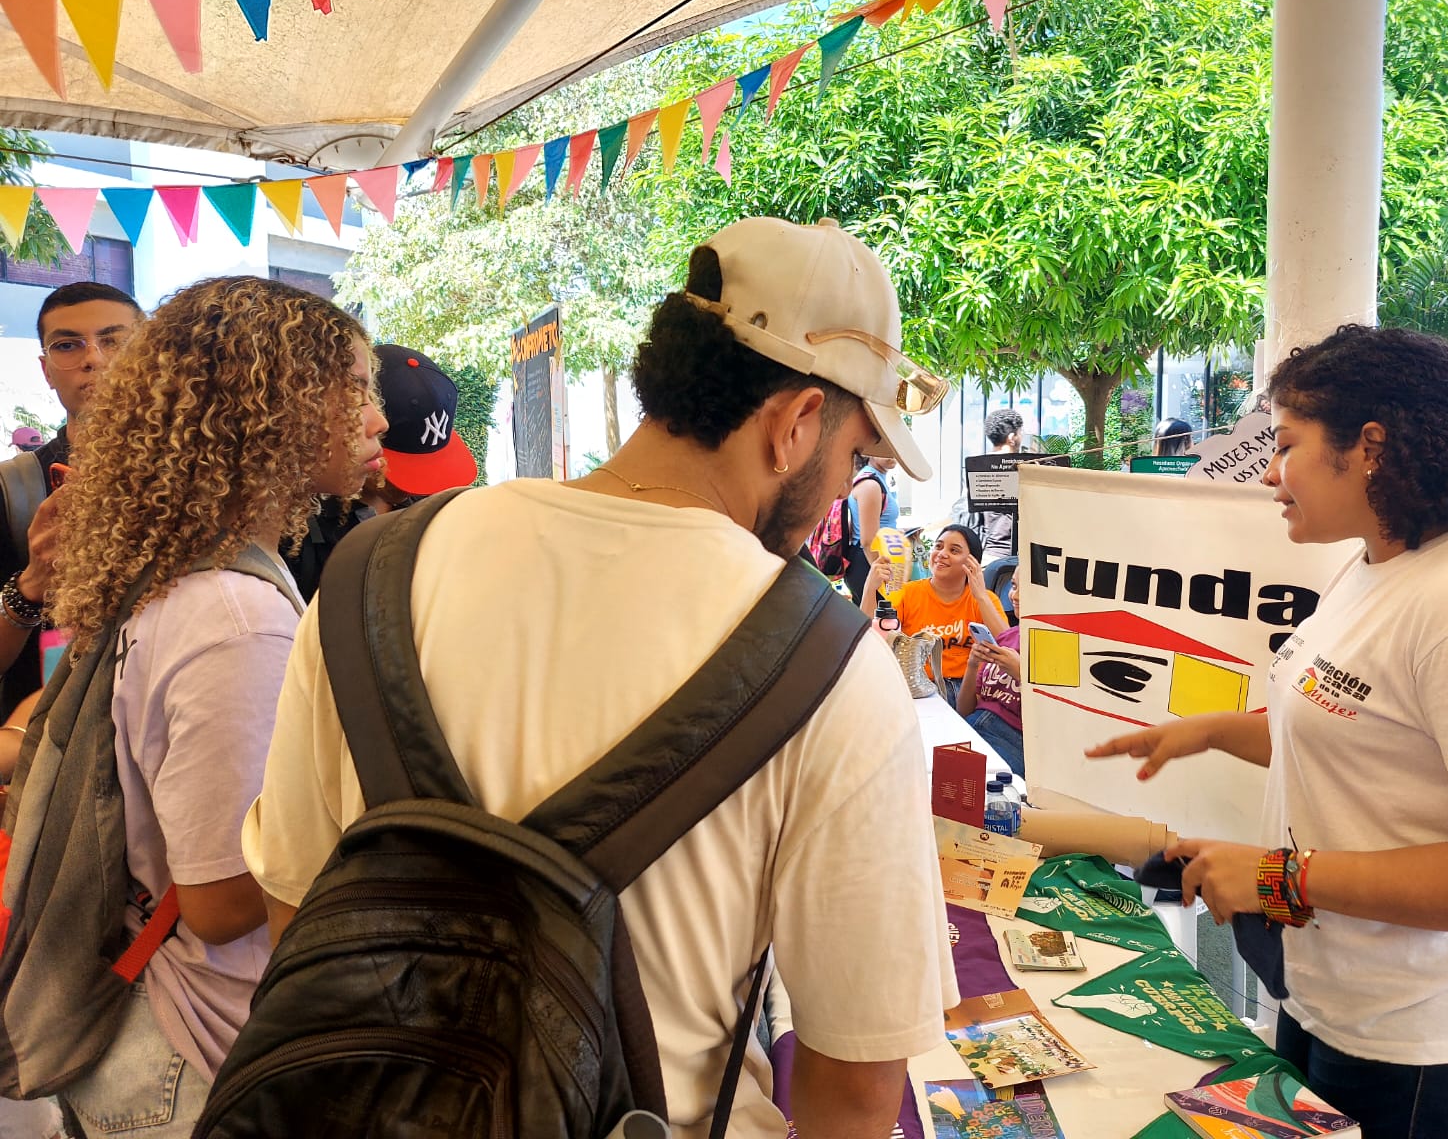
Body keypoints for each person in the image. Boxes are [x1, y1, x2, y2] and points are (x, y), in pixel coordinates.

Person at [244, 217, 958, 1138]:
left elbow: (294, 910)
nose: (840, 489)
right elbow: (854, 1085)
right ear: (796, 424)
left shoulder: (370, 573)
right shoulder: (830, 663)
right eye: (855, 457)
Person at [1087, 325, 1448, 1139]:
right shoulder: (1380, 564)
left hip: (1441, 1047)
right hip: (1341, 1004)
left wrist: (1280, 877)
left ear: (1369, 448)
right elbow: (1358, 731)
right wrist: (1213, 731)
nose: (1268, 473)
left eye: (1285, 446)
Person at [38, 277, 385, 1137]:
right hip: (200, 1061)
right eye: (355, 390)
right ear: (273, 409)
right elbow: (222, 899)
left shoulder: (182, 581)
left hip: (167, 1045)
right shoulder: (235, 617)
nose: (376, 419)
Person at [0, 283, 141, 719]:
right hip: (50, 751)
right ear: (46, 370)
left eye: (114, 340)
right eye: (68, 344)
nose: (93, 358)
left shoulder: (208, 481)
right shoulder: (15, 490)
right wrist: (32, 584)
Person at [282, 343, 478, 601]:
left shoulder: (433, 515)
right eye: (402, 467)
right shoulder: (297, 533)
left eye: (429, 468)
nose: (413, 488)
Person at [865, 523, 1008, 705]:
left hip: (971, 690)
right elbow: (868, 638)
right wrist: (869, 588)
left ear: (972, 563)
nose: (941, 554)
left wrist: (980, 596)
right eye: (938, 546)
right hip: (920, 688)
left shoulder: (984, 600)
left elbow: (1008, 645)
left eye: (954, 550)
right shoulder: (908, 593)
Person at [957, 573, 1024, 775]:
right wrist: (972, 665)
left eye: (1026, 588)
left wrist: (1023, 674)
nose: (1016, 595)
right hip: (971, 728)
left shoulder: (1062, 646)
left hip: (1012, 742)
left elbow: (1058, 723)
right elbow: (964, 711)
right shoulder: (1009, 637)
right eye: (1014, 585)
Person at [840, 453, 899, 604]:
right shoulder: (870, 485)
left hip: (873, 561)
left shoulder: (877, 479)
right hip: (868, 562)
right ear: (869, 453)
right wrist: (882, 577)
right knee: (878, 624)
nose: (892, 454)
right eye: (886, 449)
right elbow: (868, 541)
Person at [978, 408, 1024, 565]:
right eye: (1020, 432)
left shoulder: (977, 467)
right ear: (1012, 438)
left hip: (987, 554)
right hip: (1013, 557)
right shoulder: (1021, 469)